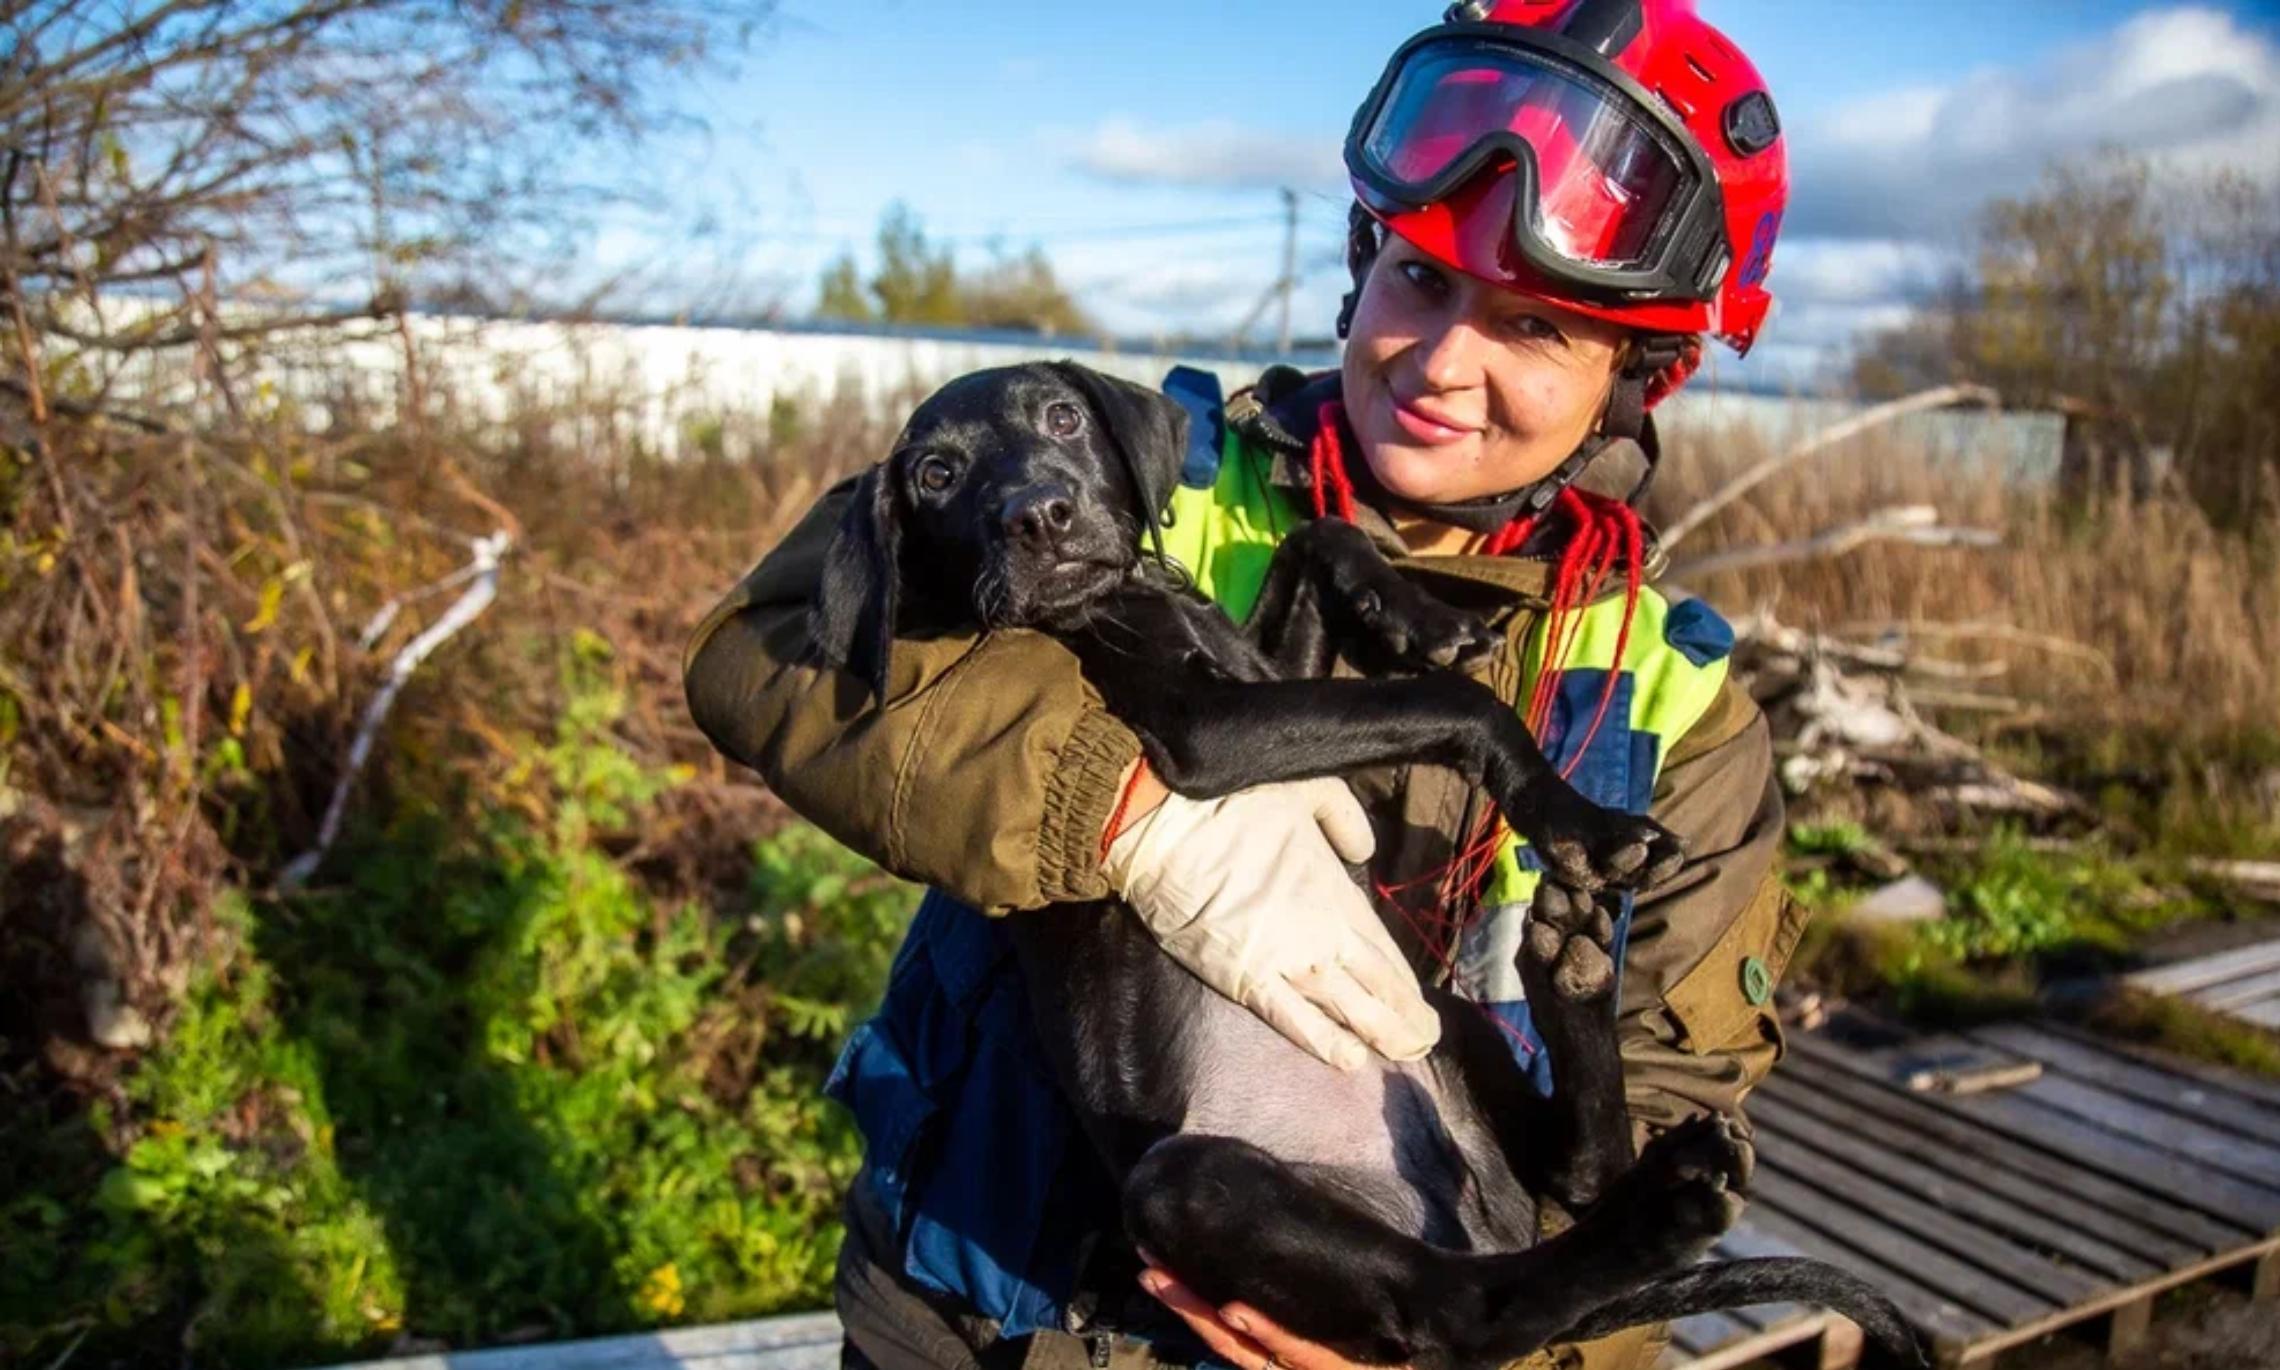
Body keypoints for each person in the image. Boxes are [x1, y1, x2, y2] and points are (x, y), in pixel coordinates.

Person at [684, 3, 1800, 1368]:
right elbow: (767, 646)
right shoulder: (1149, 474)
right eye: (1420, 280)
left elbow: (1660, 1164)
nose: (1446, 363)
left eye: (1533, 328)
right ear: (1357, 263)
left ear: (1636, 374)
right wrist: (1124, 812)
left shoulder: (1670, 706)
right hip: (980, 1315)